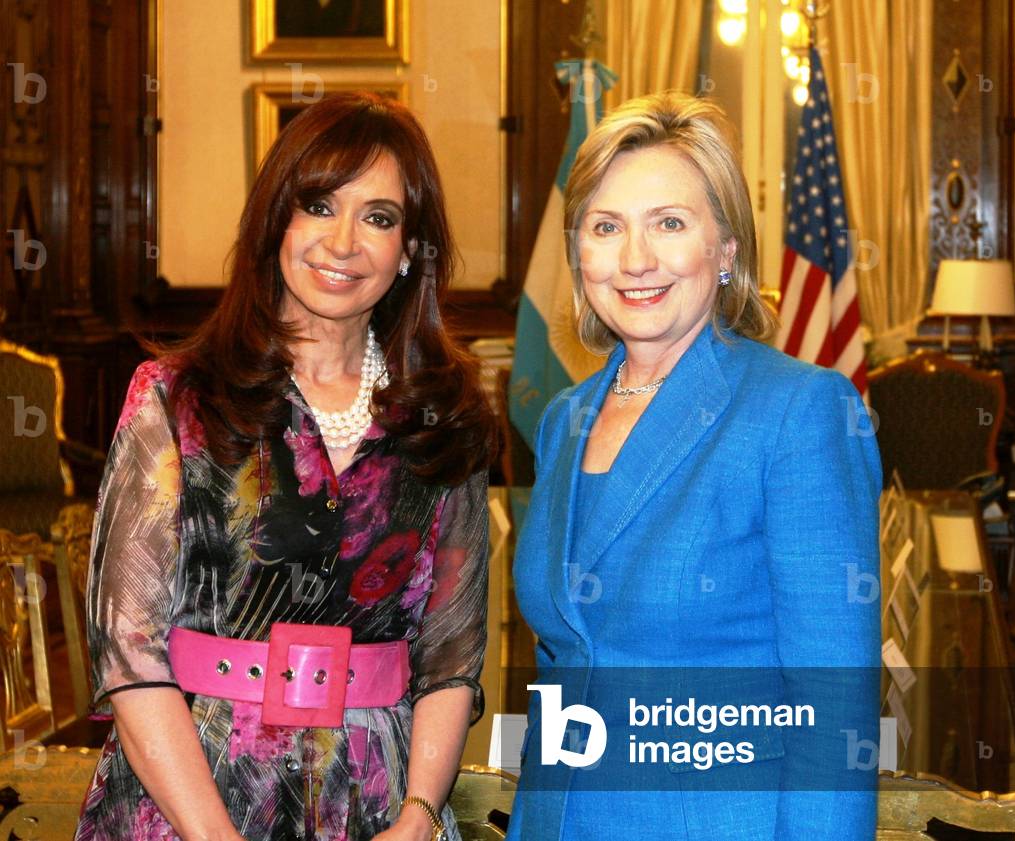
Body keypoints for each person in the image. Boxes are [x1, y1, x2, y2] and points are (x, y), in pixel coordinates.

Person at [75, 92, 498, 841]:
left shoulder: (449, 419)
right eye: (318, 204)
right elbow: (126, 649)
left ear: (408, 251)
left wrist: (419, 816)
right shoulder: (175, 399)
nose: (343, 241)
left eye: (378, 217)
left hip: (377, 806)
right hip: (188, 801)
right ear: (277, 221)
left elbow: (452, 657)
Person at [507, 92, 881, 840]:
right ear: (578, 254)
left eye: (669, 224)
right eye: (606, 227)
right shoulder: (562, 420)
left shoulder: (798, 411)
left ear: (725, 250)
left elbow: (833, 706)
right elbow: (566, 658)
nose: (635, 259)